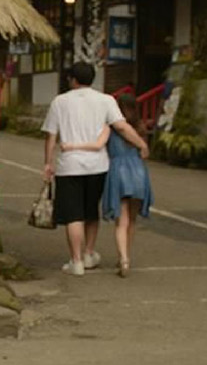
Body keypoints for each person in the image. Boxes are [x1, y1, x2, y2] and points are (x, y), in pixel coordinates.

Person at [42, 62, 148, 276]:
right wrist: (141, 144)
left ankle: (76, 261)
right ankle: (89, 253)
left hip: (69, 165)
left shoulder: (59, 102)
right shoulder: (106, 100)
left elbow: (51, 135)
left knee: (73, 215)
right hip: (98, 166)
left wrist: (48, 162)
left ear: (72, 79)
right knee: (90, 211)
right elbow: (122, 127)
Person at [101, 93, 154, 276]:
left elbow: (102, 145)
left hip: (118, 171)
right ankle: (126, 256)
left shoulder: (111, 127)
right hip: (138, 172)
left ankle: (123, 259)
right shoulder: (140, 128)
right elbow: (144, 154)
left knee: (121, 220)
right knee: (132, 219)